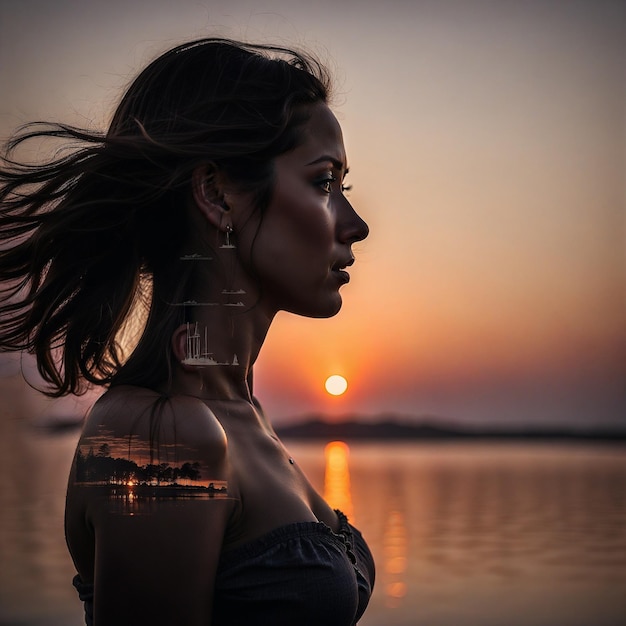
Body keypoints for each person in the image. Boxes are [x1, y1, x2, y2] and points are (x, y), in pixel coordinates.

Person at [0, 38, 374, 625]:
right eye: (325, 182)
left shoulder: (242, 414)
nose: (356, 225)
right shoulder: (155, 434)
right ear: (216, 194)